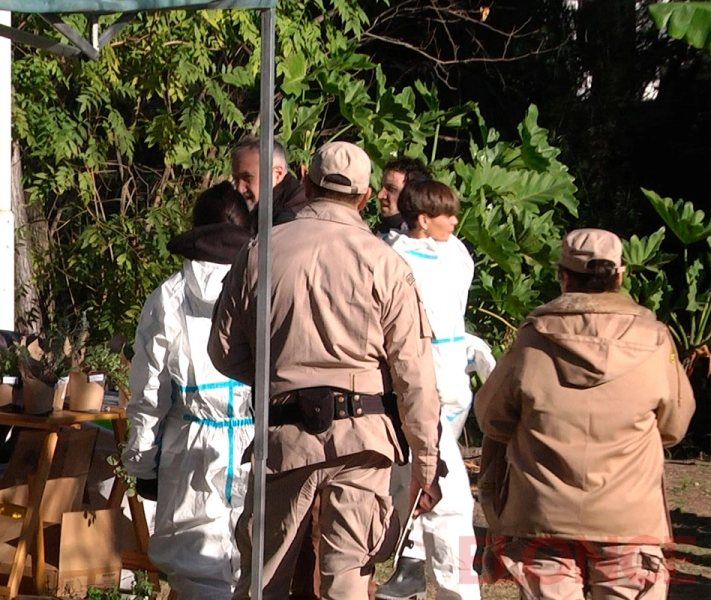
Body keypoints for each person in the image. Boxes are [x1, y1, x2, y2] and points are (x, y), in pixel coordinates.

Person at [209, 141, 444, 600]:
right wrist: (425, 463)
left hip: (285, 435)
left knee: (262, 582)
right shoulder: (386, 264)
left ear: (307, 181)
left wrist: (280, 372)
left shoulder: (260, 252)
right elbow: (415, 375)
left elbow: (223, 351)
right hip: (363, 439)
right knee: (347, 585)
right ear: (365, 196)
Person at [475, 228, 696, 600]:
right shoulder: (656, 339)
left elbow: (491, 417)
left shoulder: (532, 339)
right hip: (629, 519)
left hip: (542, 517)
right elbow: (674, 426)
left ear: (563, 277)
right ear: (620, 275)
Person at [122, 181, 255, 600]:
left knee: (196, 565)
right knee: (254, 561)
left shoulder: (169, 296)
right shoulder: (265, 286)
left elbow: (149, 393)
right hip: (255, 442)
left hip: (191, 446)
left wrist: (143, 463)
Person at [376, 181, 492, 600]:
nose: (455, 221)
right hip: (421, 394)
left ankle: (411, 566)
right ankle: (453, 586)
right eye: (447, 215)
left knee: (421, 489)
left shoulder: (454, 253)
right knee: (451, 501)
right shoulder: (395, 259)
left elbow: (452, 318)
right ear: (423, 220)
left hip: (453, 389)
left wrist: (471, 351)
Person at [230, 136, 307, 230]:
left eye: (247, 178)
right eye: (235, 179)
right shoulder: (262, 211)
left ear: (277, 174)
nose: (239, 188)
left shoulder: (294, 217)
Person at [375, 157, 433, 235]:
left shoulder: (427, 240)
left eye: (391, 189)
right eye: (381, 186)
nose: (380, 195)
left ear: (413, 195)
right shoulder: (383, 231)